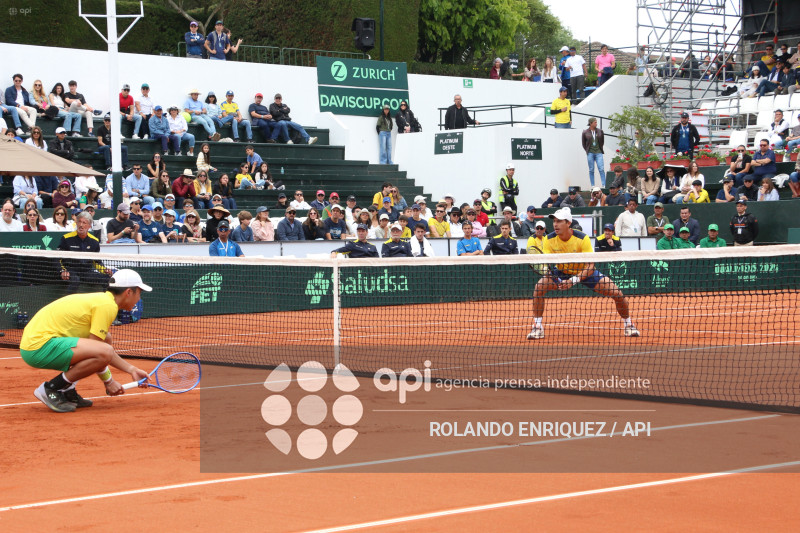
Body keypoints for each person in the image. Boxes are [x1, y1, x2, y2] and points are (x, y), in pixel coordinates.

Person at [20, 269, 151, 413]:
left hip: (36, 344)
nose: (139, 298)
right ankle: (51, 388)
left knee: (106, 339)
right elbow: (99, 352)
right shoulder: (107, 306)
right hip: (38, 347)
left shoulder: (103, 300)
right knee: (104, 350)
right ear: (128, 292)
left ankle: (67, 390)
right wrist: (109, 381)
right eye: (139, 293)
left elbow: (97, 347)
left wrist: (131, 370)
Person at [527, 207, 639, 340]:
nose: (555, 224)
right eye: (554, 221)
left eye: (559, 221)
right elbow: (548, 263)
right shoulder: (549, 239)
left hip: (584, 272)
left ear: (568, 223)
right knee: (539, 288)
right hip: (562, 271)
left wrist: (573, 281)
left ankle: (628, 324)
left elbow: (590, 266)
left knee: (617, 293)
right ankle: (538, 327)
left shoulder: (582, 238)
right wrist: (557, 280)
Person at [581, 118, 605, 188]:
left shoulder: (600, 131)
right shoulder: (585, 132)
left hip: (598, 152)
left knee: (601, 168)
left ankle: (603, 184)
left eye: (596, 122)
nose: (596, 123)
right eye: (595, 122)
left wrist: (600, 149)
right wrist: (587, 151)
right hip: (590, 152)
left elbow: (602, 142)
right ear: (590, 123)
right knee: (591, 169)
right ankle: (592, 185)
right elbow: (583, 143)